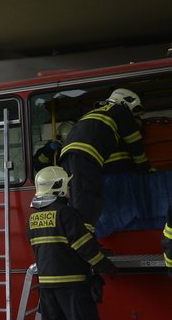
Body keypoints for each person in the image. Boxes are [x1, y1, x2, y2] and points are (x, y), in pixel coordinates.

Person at [27, 166, 123, 320]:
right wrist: (105, 267)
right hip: (71, 283)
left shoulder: (33, 219)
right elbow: (84, 247)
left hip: (47, 284)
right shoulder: (66, 214)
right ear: (58, 188)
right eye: (66, 184)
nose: (69, 188)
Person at [60, 88, 150, 232]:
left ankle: (83, 242)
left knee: (78, 200)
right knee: (89, 202)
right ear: (125, 102)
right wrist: (144, 167)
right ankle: (86, 246)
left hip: (68, 155)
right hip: (86, 155)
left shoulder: (94, 112)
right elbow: (134, 142)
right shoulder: (121, 110)